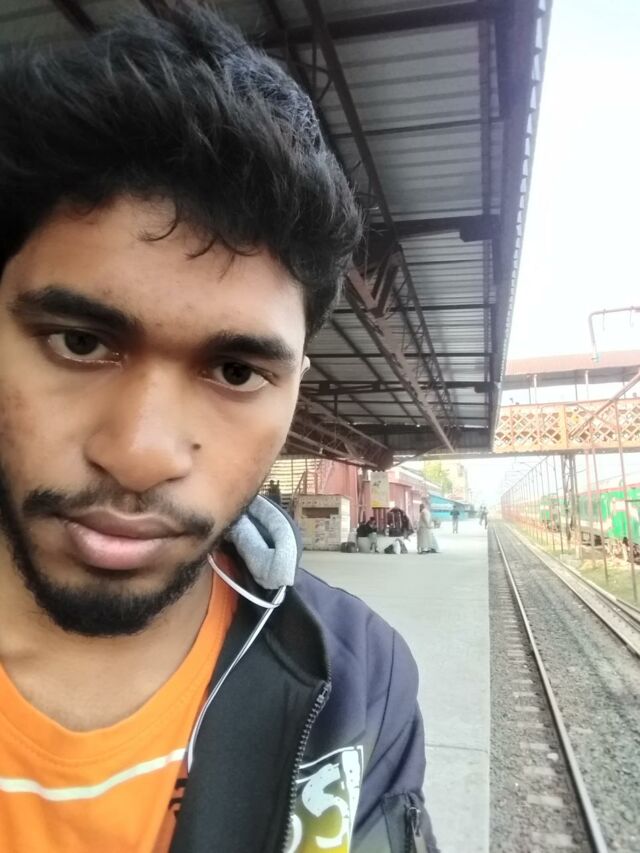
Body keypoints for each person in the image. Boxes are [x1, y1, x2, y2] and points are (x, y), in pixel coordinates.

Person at [0, 5, 439, 851]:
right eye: (80, 342)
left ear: (296, 383)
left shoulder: (355, 687)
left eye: (236, 371)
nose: (139, 454)